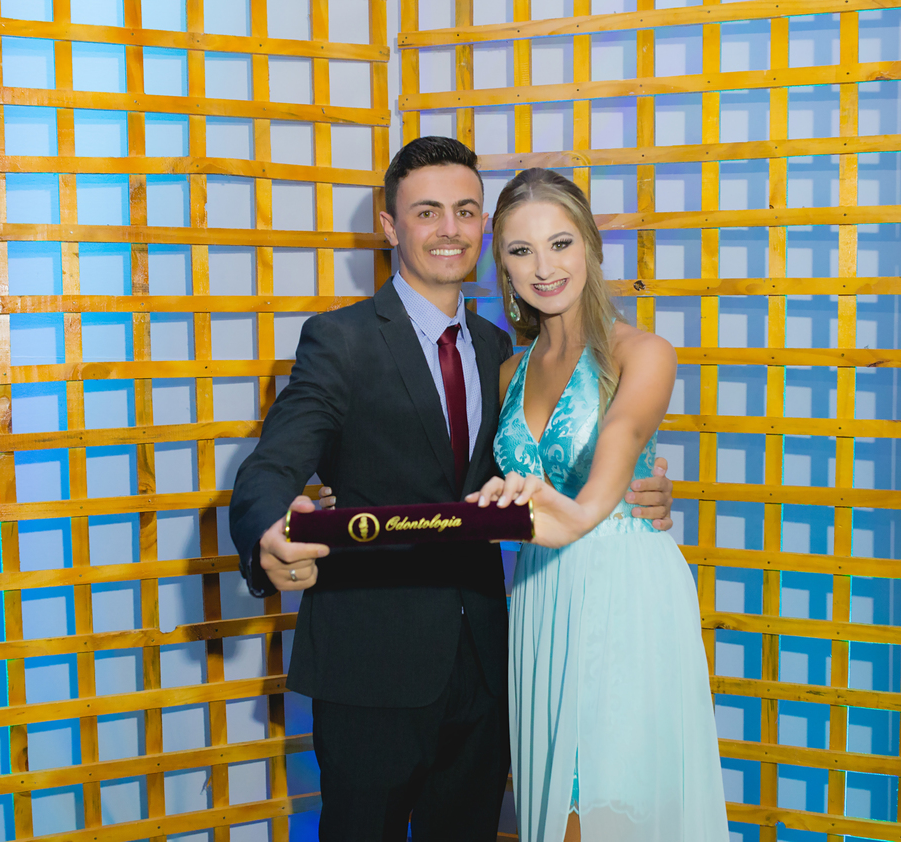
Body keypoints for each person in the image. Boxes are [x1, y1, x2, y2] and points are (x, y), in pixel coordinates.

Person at [227, 137, 675, 841]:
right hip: (372, 664)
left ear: (483, 228)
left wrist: (633, 494)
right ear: (389, 226)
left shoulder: (503, 353)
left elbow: (546, 463)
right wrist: (266, 531)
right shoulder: (339, 341)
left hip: (492, 661)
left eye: (466, 211)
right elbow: (271, 465)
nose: (449, 228)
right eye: (427, 211)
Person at [467, 168, 728, 842]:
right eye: (521, 251)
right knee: (553, 810)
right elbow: (471, 488)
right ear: (503, 268)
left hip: (624, 590)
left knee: (610, 806)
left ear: (591, 245)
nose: (544, 267)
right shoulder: (507, 371)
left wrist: (583, 513)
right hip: (539, 595)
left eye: (560, 243)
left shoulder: (644, 352)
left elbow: (623, 435)